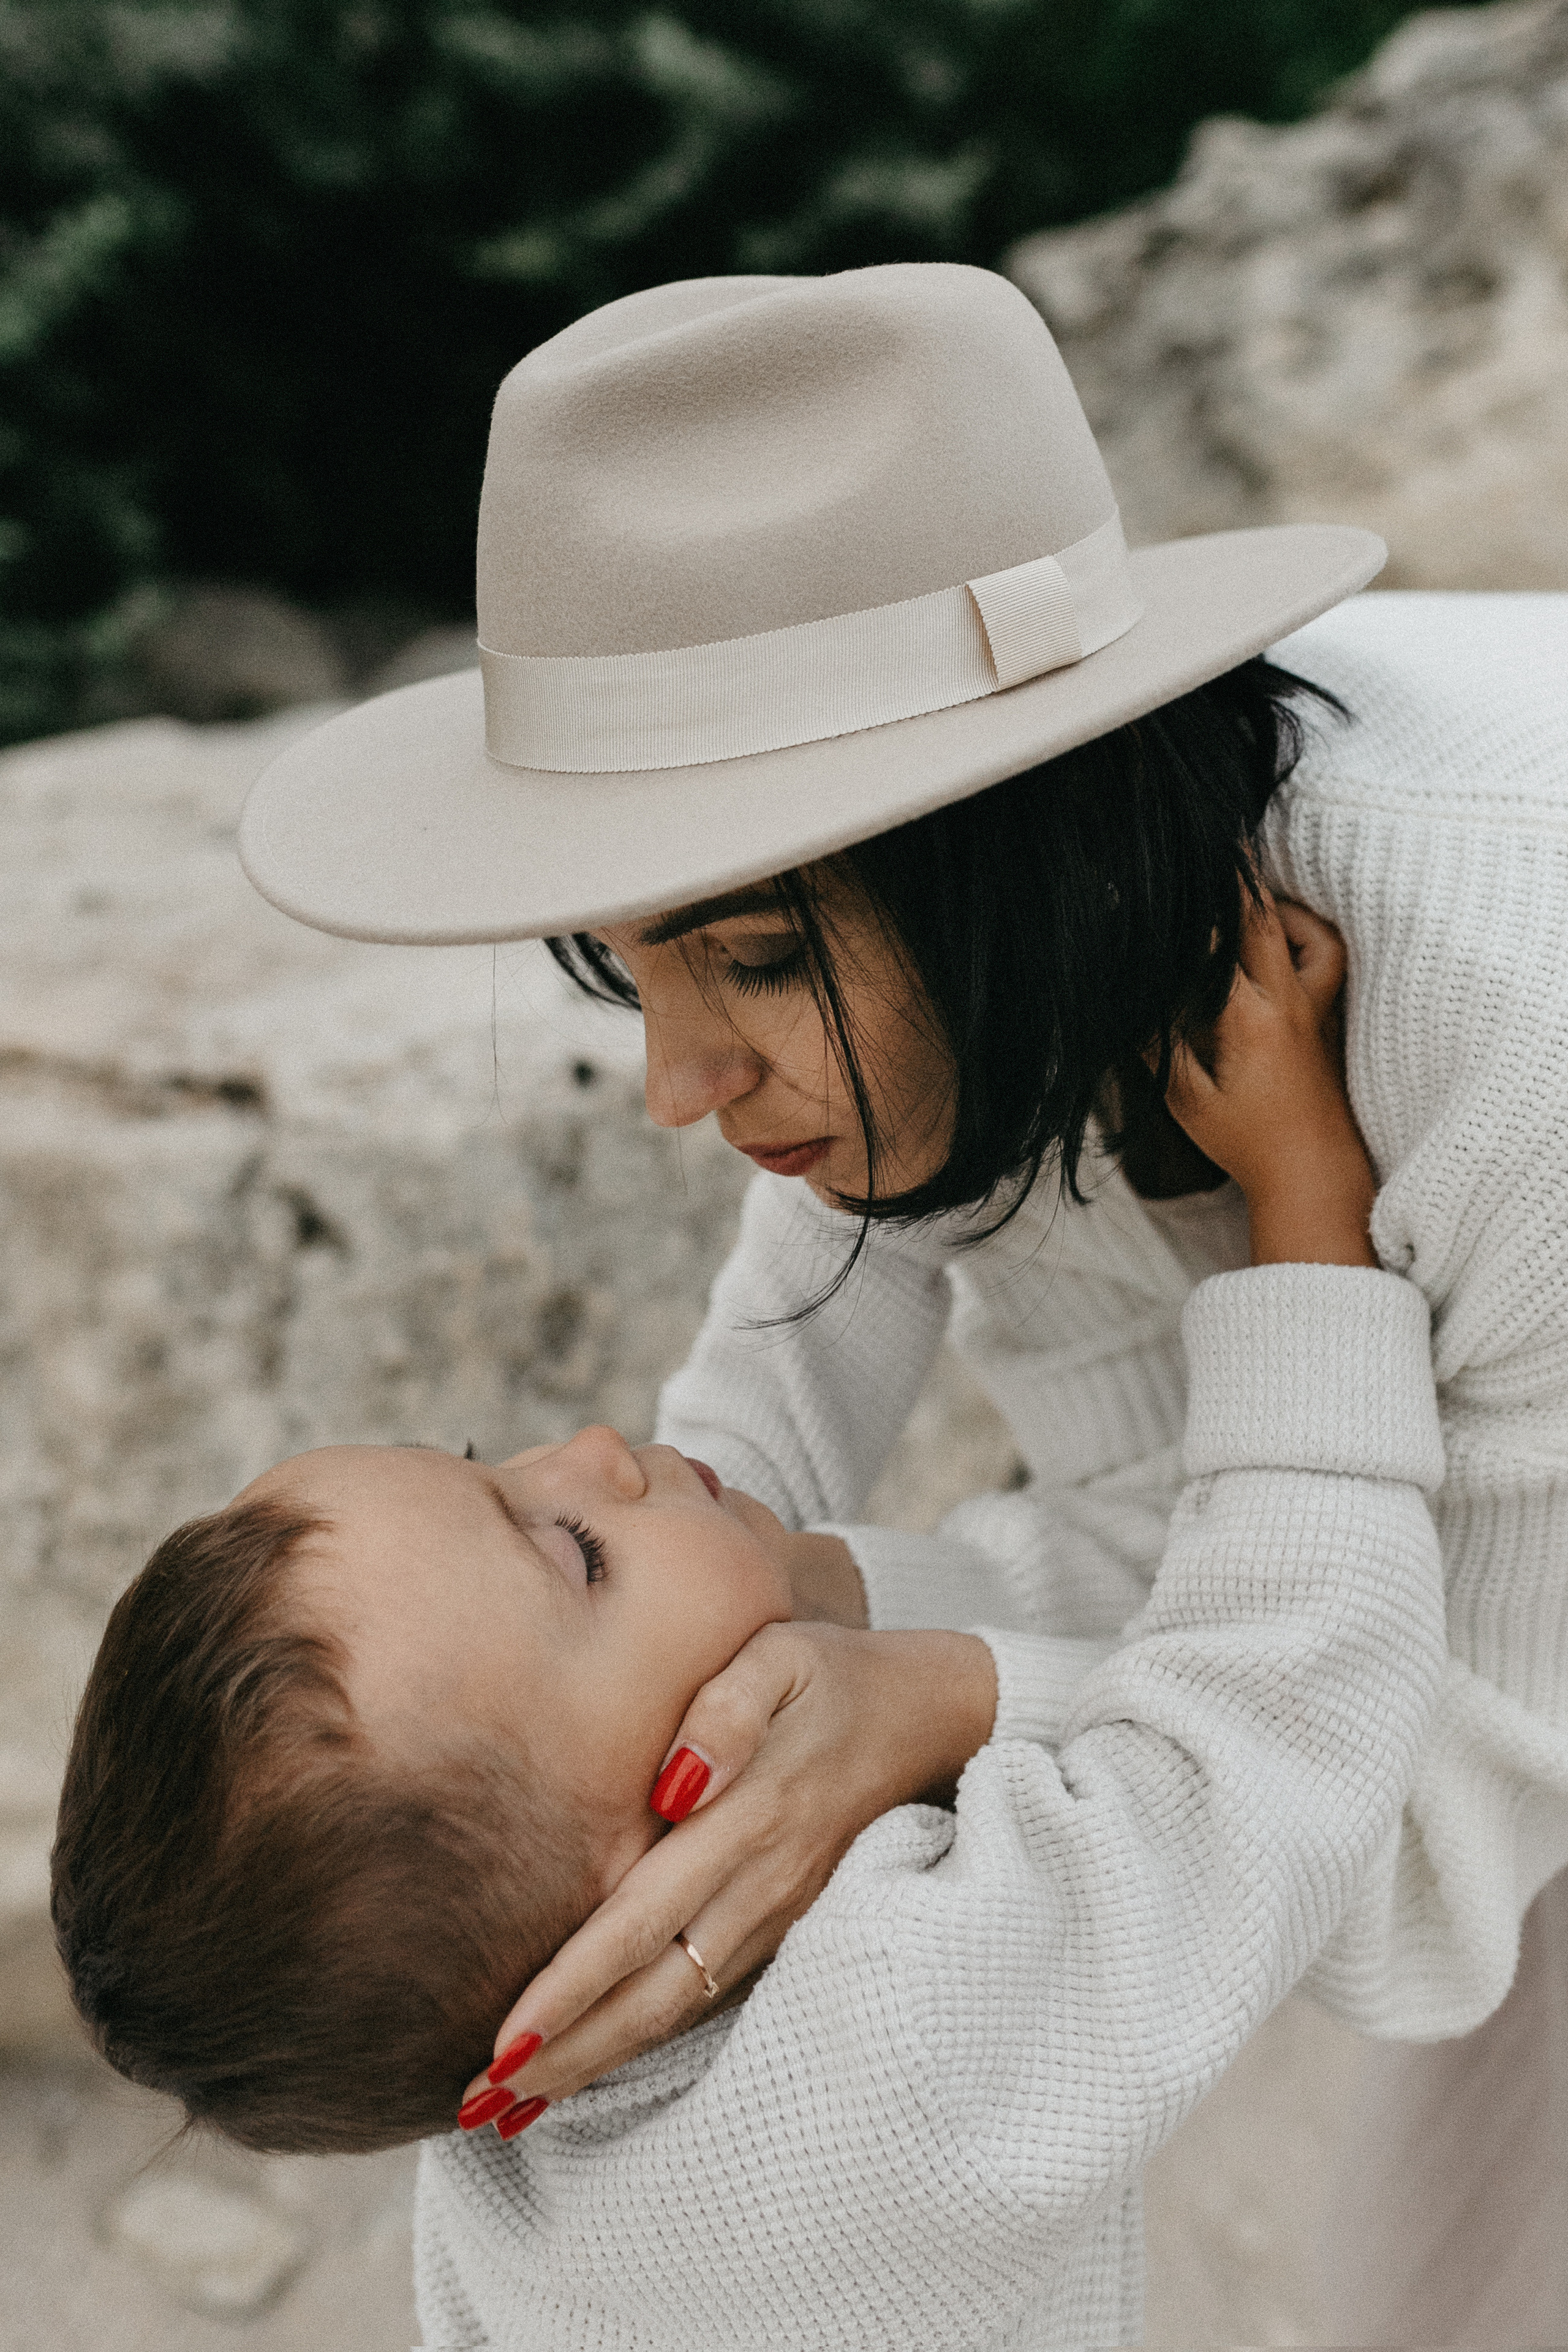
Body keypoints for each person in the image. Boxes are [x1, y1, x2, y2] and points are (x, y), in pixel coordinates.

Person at [237, 263, 1568, 2342]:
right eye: (632, 967)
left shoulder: (1511, 1026)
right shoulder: (1003, 963)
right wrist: (781, 1653)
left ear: (1022, 843)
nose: (680, 1086)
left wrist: (948, 1697)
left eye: (754, 960)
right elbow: (837, 1428)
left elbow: (1404, 1864)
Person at [51, 891, 1447, 2351]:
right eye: (569, 1549)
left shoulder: (512, 2115)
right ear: (644, 1878)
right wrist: (1304, 1203)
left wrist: (870, 1100)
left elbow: (741, 1456)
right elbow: (1271, 1728)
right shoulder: (889, 2047)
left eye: (486, 1463)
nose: (592, 1450)